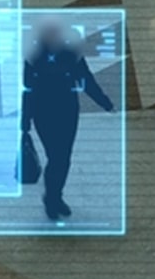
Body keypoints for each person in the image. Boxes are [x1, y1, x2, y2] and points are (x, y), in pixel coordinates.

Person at [20, 18, 115, 220]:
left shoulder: (72, 54)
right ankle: (52, 199)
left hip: (67, 113)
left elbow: (86, 79)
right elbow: (27, 90)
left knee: (64, 159)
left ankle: (55, 196)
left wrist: (104, 102)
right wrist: (25, 120)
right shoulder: (33, 57)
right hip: (43, 113)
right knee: (56, 158)